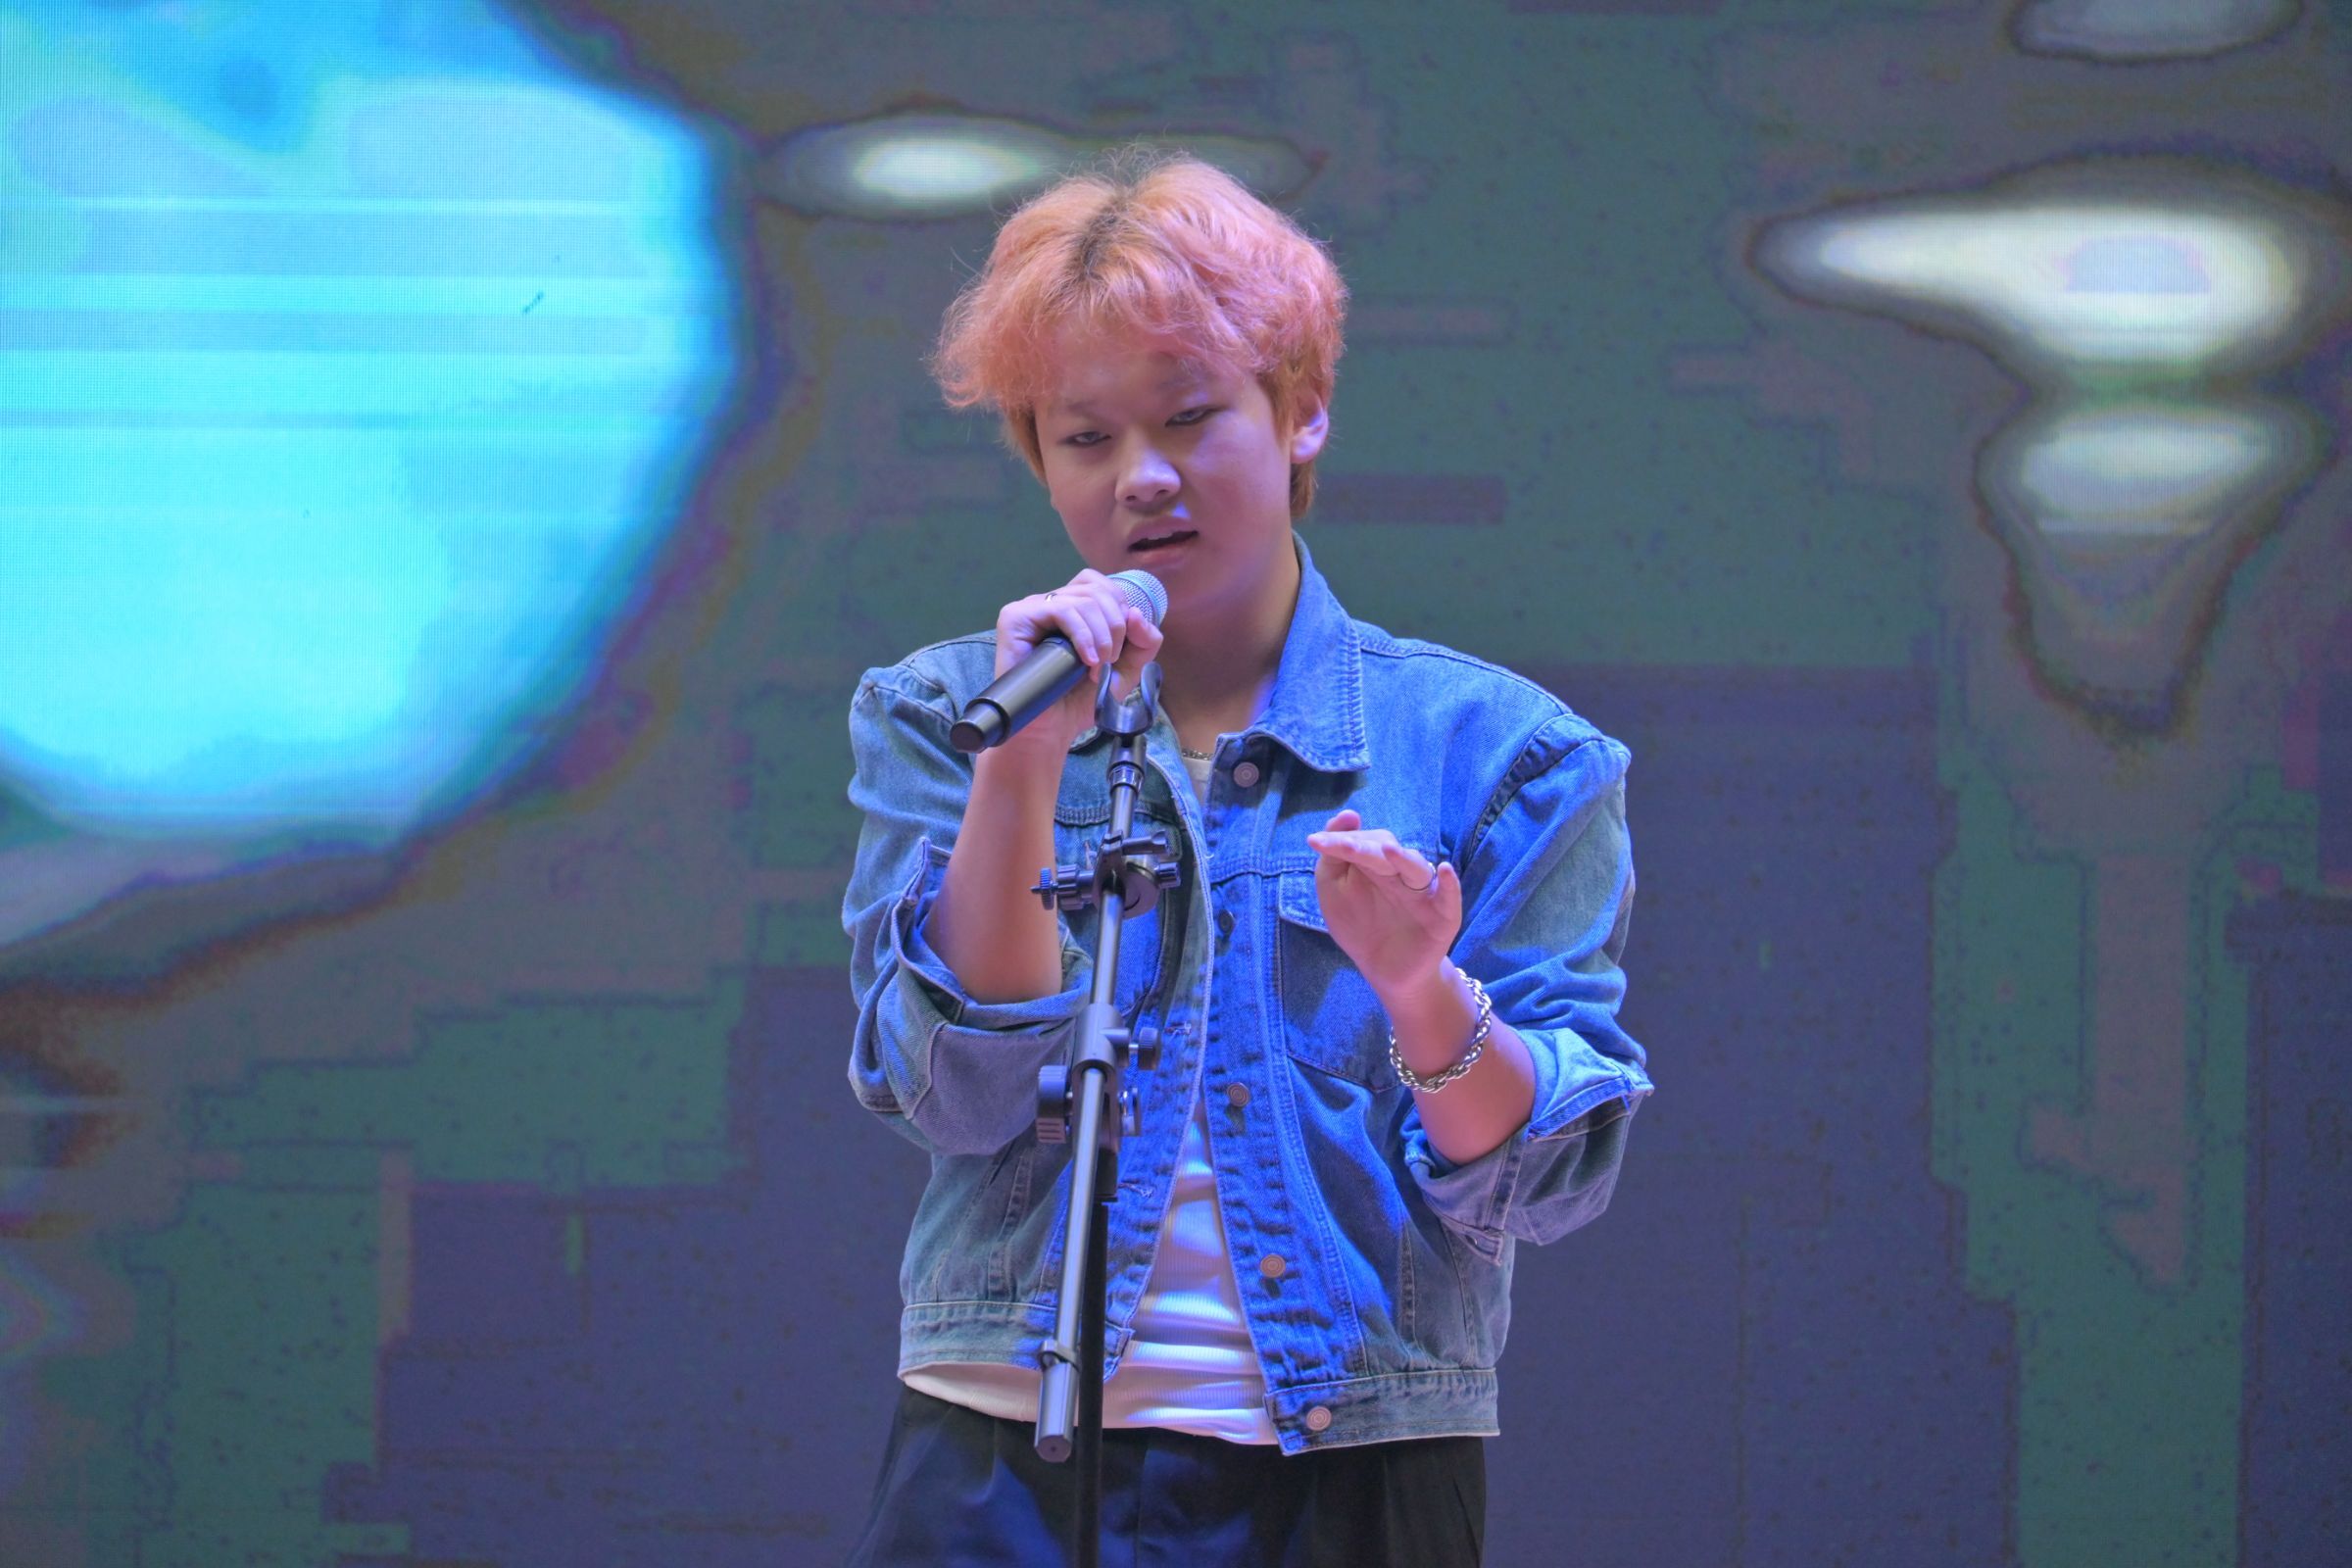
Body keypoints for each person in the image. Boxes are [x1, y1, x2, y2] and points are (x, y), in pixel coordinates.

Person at [841, 149, 1649, 1566]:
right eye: (1084, 439)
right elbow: (956, 1095)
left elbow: (1543, 1182)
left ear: (1301, 409)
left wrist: (1420, 991)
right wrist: (1024, 764)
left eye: (1190, 416)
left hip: (1350, 1471)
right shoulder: (951, 713)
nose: (1141, 478)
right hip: (997, 1458)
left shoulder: (1502, 753)